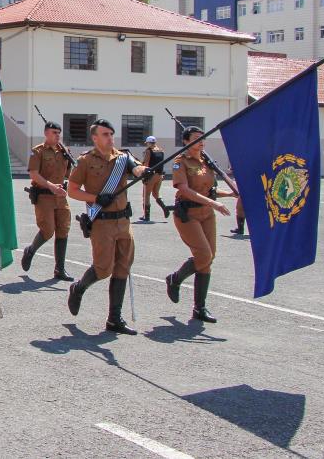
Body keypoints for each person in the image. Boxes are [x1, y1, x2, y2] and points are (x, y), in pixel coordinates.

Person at [66, 119, 150, 335]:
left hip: (123, 222)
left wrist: (144, 171)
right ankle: (79, 287)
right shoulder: (85, 161)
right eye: (105, 134)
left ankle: (114, 319)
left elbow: (137, 168)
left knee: (123, 267)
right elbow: (73, 190)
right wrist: (95, 198)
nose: (110, 137)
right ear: (95, 137)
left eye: (111, 134)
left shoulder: (123, 157)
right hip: (101, 222)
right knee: (103, 269)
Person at [164, 126, 235, 323]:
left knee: (208, 258)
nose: (201, 142)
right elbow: (185, 190)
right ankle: (175, 279)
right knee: (203, 255)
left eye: (202, 138)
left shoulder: (206, 163)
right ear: (186, 142)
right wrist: (214, 203)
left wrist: (229, 193)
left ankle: (199, 308)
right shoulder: (181, 162)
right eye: (196, 139)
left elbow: (209, 190)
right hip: (188, 214)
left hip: (207, 214)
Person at [20, 121, 74, 281]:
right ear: (46, 133)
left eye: (59, 132)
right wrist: (51, 186)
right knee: (48, 230)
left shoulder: (64, 151)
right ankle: (30, 250)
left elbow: (68, 175)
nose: (57, 135)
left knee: (63, 229)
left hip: (60, 197)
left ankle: (60, 269)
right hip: (44, 196)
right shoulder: (38, 151)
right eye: (54, 132)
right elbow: (34, 174)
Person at [139, 136, 169, 222]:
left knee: (146, 195)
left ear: (148, 143)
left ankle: (146, 216)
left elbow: (146, 164)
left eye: (147, 143)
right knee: (156, 194)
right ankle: (165, 207)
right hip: (159, 175)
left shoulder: (149, 151)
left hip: (151, 175)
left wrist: (142, 173)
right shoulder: (161, 150)